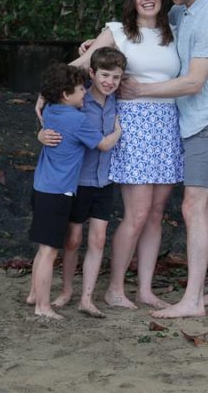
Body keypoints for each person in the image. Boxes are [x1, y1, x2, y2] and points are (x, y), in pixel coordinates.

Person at [39, 0, 186, 310]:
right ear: (131, 0)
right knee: (135, 213)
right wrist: (47, 93)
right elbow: (83, 65)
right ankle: (115, 288)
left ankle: (145, 289)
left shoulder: (176, 31)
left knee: (156, 212)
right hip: (132, 126)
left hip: (166, 126)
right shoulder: (118, 31)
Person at [119, 0, 208, 319]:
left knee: (192, 206)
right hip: (187, 124)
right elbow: (144, 30)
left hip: (207, 122)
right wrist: (92, 47)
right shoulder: (181, 11)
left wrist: (141, 90)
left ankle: (193, 300)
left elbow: (194, 82)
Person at [26, 63, 122, 319]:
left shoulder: (49, 110)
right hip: (59, 191)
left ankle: (34, 294)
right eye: (81, 89)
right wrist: (118, 132)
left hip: (42, 186)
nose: (85, 93)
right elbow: (102, 144)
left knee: (42, 247)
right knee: (49, 251)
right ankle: (43, 307)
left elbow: (48, 100)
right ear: (67, 95)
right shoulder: (77, 119)